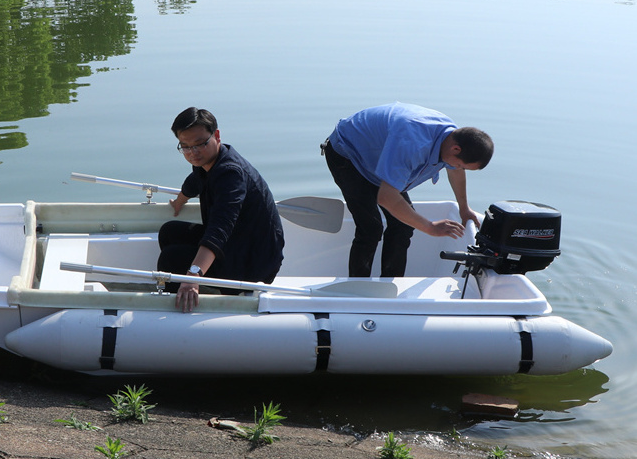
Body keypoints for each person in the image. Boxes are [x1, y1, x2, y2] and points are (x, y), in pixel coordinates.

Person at [322, 102, 493, 278]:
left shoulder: (453, 138)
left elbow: (456, 171)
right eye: (459, 164)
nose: (457, 167)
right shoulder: (413, 144)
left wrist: (464, 208)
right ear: (455, 149)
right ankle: (357, 288)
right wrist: (429, 227)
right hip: (348, 154)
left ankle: (391, 283)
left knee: (403, 225)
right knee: (371, 227)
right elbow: (387, 197)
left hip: (381, 157)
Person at [158, 107, 285, 312]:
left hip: (252, 261)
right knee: (169, 231)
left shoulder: (230, 175)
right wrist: (180, 200)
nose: (193, 153)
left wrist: (192, 277)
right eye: (185, 147)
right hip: (238, 241)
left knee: (171, 258)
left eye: (199, 144)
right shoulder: (210, 161)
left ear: (216, 135)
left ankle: (179, 307)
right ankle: (187, 292)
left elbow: (219, 228)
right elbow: (194, 182)